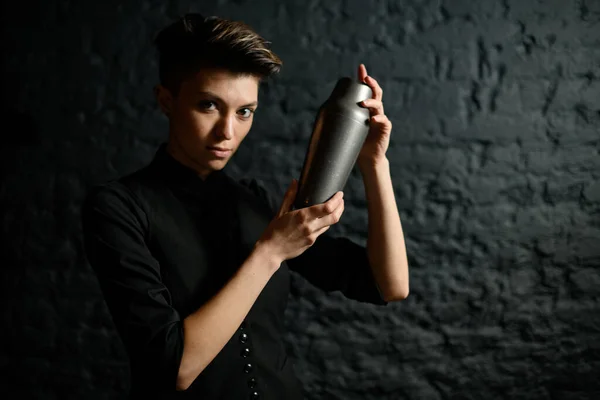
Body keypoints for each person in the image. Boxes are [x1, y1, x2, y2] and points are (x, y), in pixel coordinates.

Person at [81, 13, 409, 400]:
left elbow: (389, 285)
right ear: (166, 101)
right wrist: (270, 252)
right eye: (208, 105)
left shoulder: (257, 202)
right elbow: (175, 368)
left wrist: (374, 163)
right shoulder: (118, 208)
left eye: (244, 112)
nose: (227, 132)